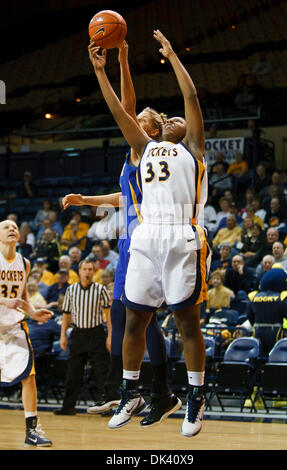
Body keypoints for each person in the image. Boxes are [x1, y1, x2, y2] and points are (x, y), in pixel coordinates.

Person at [88, 30, 210, 437]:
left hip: (181, 234)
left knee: (184, 321)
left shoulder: (192, 147)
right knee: (134, 320)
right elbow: (121, 112)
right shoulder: (143, 144)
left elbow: (191, 99)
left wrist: (173, 55)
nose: (176, 119)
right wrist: (100, 71)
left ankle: (195, 394)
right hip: (145, 237)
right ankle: (129, 390)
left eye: (177, 119)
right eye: (168, 120)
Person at [62, 40, 180, 425]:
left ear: (147, 128)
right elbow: (123, 198)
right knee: (131, 318)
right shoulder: (136, 160)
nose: (136, 115)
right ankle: (135, 393)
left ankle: (145, 393)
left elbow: (125, 108)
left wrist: (122, 61)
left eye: (142, 117)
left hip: (147, 240)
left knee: (135, 317)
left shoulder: (142, 149)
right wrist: (84, 200)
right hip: (133, 238)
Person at [0, 219, 53, 446]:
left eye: (15, 227)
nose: (12, 229)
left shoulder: (25, 263)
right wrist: (4, 300)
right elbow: (11, 299)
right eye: (6, 227)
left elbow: (23, 298)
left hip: (14, 326)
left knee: (28, 376)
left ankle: (32, 430)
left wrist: (32, 313)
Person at [53, 260, 111, 415]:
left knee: (101, 371)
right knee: (73, 371)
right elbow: (66, 315)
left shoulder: (101, 289)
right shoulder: (71, 290)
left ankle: (105, 407)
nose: (87, 272)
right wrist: (63, 336)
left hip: (96, 332)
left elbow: (108, 315)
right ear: (79, 272)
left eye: (90, 269)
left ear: (94, 272)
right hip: (78, 333)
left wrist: (110, 336)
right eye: (85, 269)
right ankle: (68, 407)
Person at [247, 267, 287, 358]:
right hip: (275, 332)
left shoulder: (254, 297)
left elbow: (250, 317)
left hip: (258, 331)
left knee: (261, 359)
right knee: (276, 358)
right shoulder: (283, 297)